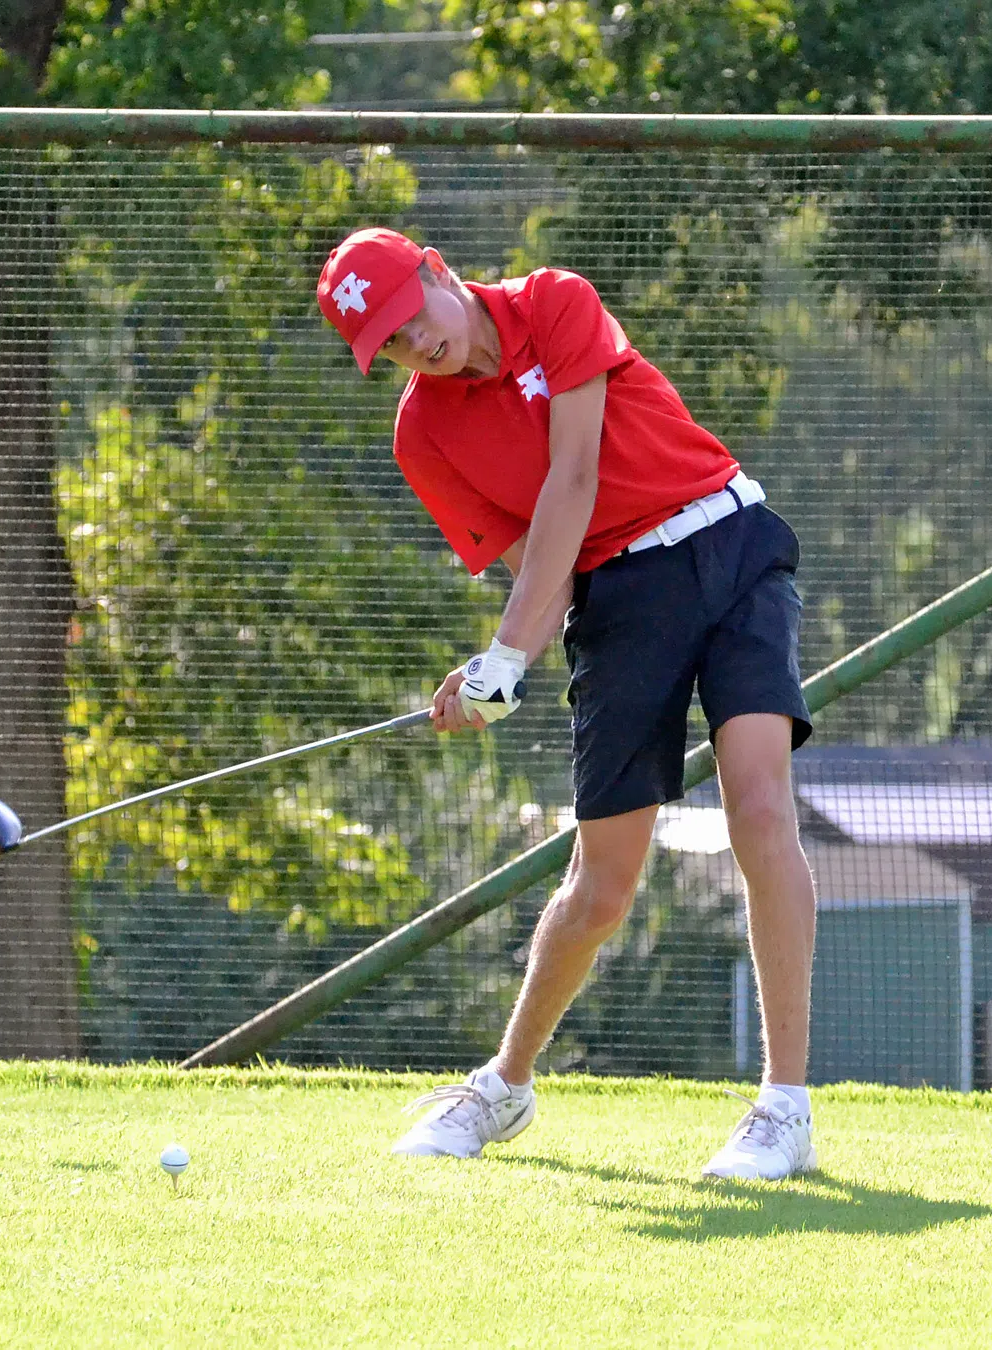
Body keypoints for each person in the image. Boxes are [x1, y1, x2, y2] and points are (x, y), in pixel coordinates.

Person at [315, 227, 821, 1180]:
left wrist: (507, 648)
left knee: (760, 810)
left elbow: (575, 483)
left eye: (408, 318)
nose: (411, 346)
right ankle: (505, 1087)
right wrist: (494, 672)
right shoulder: (423, 435)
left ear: (437, 270)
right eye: (386, 345)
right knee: (601, 885)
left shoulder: (555, 301)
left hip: (731, 541)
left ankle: (783, 1107)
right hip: (621, 602)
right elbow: (538, 571)